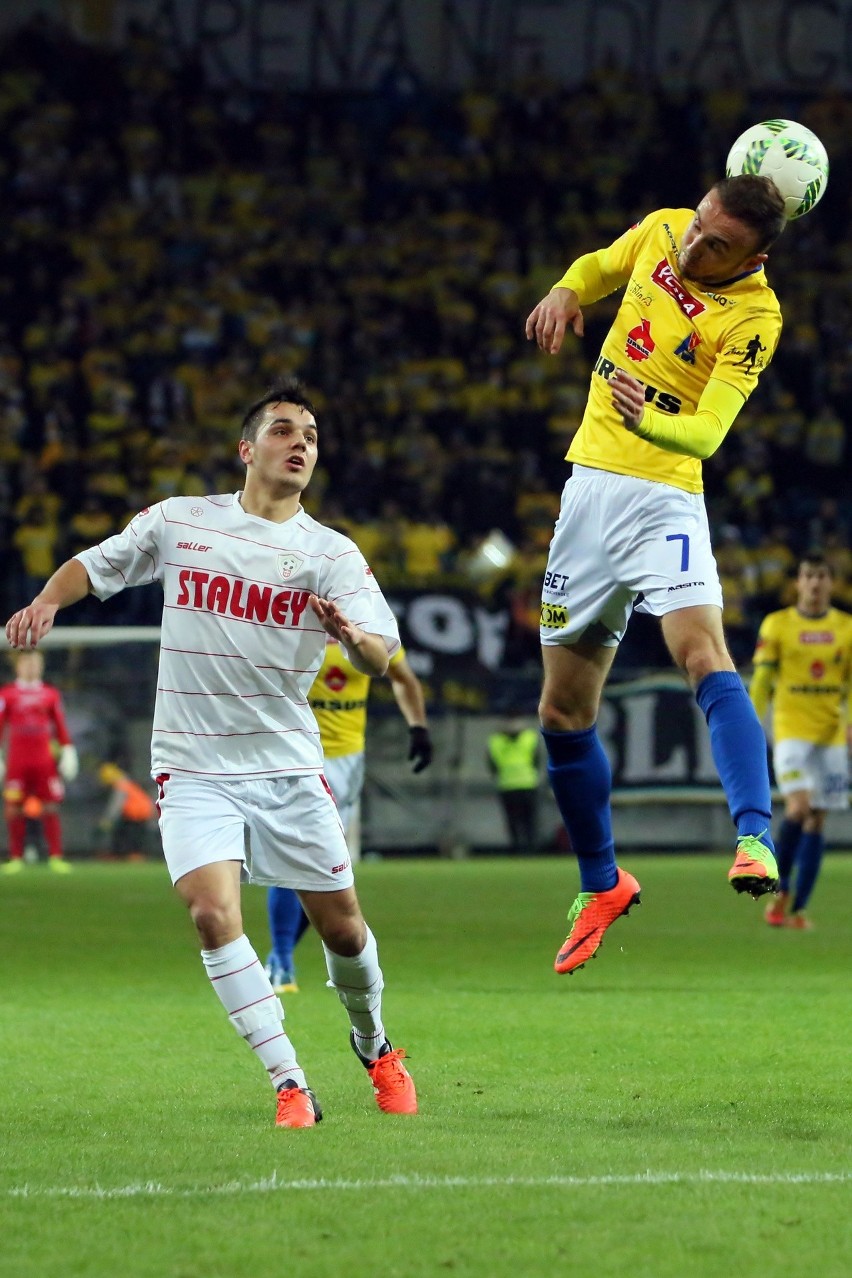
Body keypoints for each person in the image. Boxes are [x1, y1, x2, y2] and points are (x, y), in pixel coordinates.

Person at [5, 376, 417, 1128]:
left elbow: (382, 656)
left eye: (313, 436)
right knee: (210, 913)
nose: (301, 444)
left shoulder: (330, 554)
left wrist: (353, 638)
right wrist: (44, 602)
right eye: (287, 430)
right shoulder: (181, 523)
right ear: (247, 448)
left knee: (345, 930)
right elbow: (92, 566)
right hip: (193, 768)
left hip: (288, 768)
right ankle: (290, 1083)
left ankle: (376, 1044)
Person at [525, 174, 787, 974]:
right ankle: (602, 884)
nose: (697, 245)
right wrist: (568, 290)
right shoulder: (665, 227)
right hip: (587, 497)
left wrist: (651, 420)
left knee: (703, 655)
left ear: (755, 256)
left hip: (664, 499)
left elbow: (708, 432)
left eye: (719, 245)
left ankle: (754, 835)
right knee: (563, 713)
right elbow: (604, 263)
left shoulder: (755, 316)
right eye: (701, 226)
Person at [266, 637, 432, 993]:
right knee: (292, 855)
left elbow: (403, 677)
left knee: (327, 867)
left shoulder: (367, 628)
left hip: (350, 762)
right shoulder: (293, 622)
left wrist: (418, 727)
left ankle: (279, 957)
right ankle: (281, 961)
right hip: (301, 756)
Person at [749, 553, 852, 929]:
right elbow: (762, 679)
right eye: (808, 575)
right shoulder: (777, 625)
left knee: (818, 819)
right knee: (799, 808)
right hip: (791, 729)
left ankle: (794, 908)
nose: (814, 583)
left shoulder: (847, 627)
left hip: (831, 734)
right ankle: (779, 887)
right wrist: (749, 719)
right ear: (798, 582)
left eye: (822, 576)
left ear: (832, 582)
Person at [0, 650, 79, 874]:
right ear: (18, 666)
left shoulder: (50, 694)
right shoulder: (7, 695)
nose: (32, 667)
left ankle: (55, 856)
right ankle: (15, 856)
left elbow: (60, 725)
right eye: (27, 662)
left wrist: (67, 749)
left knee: (51, 806)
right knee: (13, 809)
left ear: (42, 666)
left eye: (36, 663)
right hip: (18, 760)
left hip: (43, 760)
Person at [486, 717, 540, 854]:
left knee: (513, 820)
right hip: (528, 783)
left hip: (507, 785)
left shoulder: (495, 741)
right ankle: (530, 848)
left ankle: (517, 848)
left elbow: (492, 766)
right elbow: (536, 761)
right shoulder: (530, 738)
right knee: (529, 820)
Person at [95, 762, 158, 859]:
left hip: (137, 815)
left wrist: (107, 821)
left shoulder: (121, 786)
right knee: (132, 837)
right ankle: (132, 855)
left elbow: (116, 806)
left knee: (130, 838)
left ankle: (131, 856)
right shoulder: (127, 783)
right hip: (141, 813)